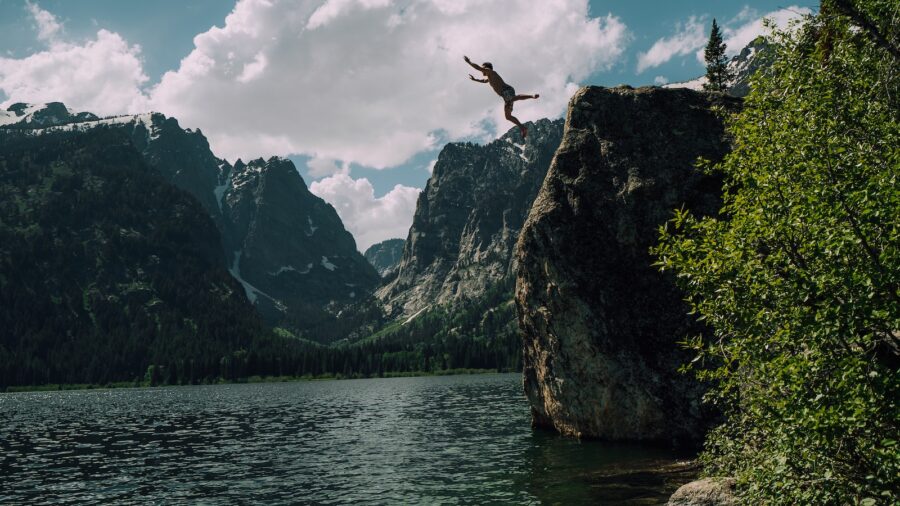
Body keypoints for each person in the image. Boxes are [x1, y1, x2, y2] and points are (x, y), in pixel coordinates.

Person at [464, 56, 539, 139]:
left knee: (512, 98)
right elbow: (484, 81)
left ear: (487, 68)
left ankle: (532, 96)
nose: (482, 70)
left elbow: (478, 68)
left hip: (507, 90)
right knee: (508, 116)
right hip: (504, 95)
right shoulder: (489, 77)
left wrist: (469, 62)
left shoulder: (491, 72)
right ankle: (523, 128)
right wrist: (475, 80)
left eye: (483, 68)